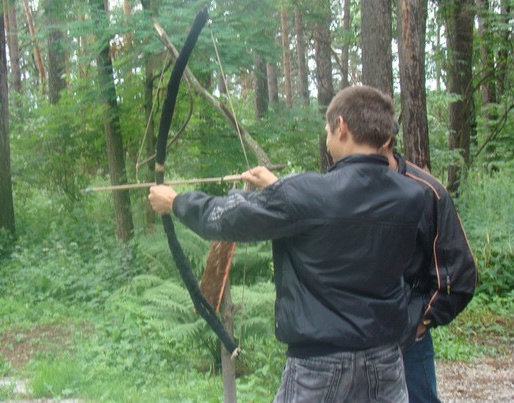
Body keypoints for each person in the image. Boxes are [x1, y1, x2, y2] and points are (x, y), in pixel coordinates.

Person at [149, 85, 427, 402]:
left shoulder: (306, 193)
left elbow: (231, 218)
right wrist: (278, 189)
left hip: (319, 366)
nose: (327, 139)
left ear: (341, 127)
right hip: (385, 361)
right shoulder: (412, 196)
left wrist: (176, 202)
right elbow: (342, 215)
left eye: (327, 131)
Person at [380, 136, 477, 403]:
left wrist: (420, 322)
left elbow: (459, 273)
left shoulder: (426, 192)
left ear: (385, 140)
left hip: (408, 344)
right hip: (354, 343)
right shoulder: (343, 191)